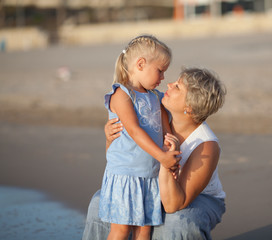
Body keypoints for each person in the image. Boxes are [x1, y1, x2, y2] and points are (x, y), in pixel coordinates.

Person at [83, 67, 227, 240]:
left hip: (198, 198)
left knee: (179, 222)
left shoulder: (206, 145)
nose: (169, 84)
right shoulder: (154, 116)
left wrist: (166, 161)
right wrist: (110, 140)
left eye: (178, 87)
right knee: (99, 201)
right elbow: (122, 164)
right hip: (153, 185)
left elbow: (174, 203)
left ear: (189, 107)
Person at [99, 35, 181, 240]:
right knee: (121, 230)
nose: (163, 78)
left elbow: (166, 131)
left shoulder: (155, 97)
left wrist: (168, 153)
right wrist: (162, 157)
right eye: (160, 71)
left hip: (150, 175)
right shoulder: (122, 94)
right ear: (141, 64)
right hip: (126, 174)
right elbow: (134, 130)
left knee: (144, 230)